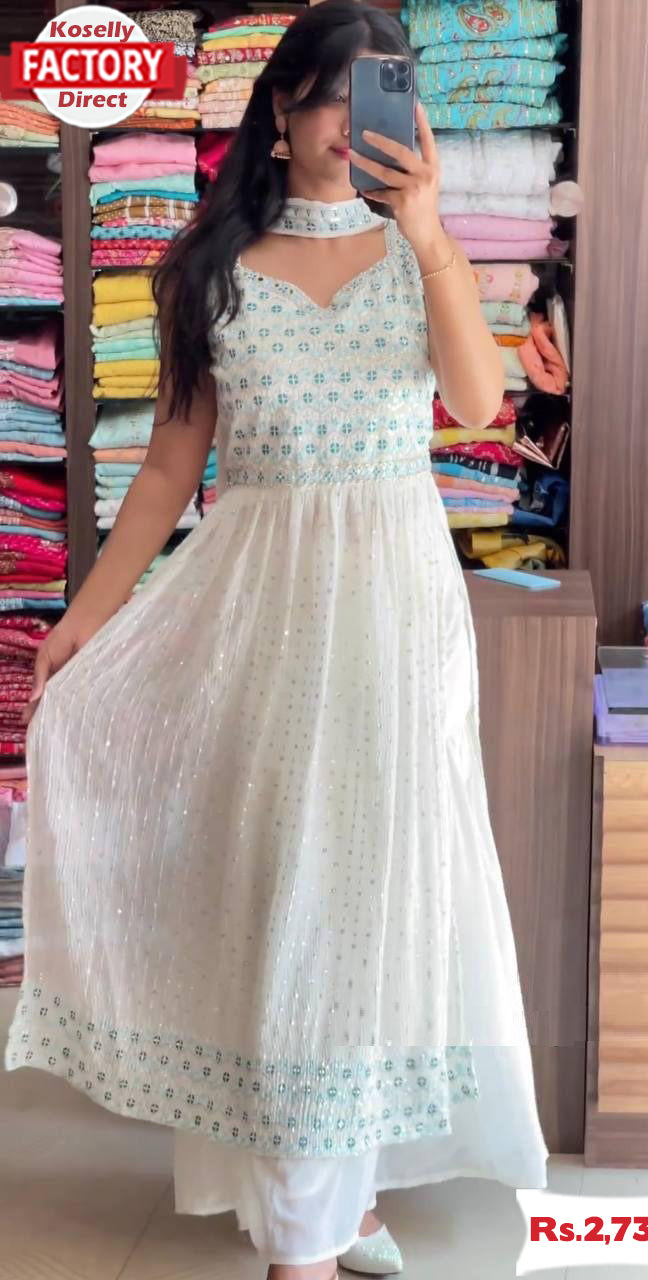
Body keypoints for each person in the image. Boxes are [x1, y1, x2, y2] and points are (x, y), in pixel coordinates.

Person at [4, 2, 549, 1276]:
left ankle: (336, 1199)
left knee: (374, 893)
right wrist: (84, 619)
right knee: (283, 893)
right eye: (331, 93)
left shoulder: (422, 252)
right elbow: (164, 473)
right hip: (257, 609)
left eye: (379, 91)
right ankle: (306, 1226)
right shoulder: (208, 268)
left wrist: (429, 235)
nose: (350, 120)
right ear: (282, 108)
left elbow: (477, 405)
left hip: (395, 614)